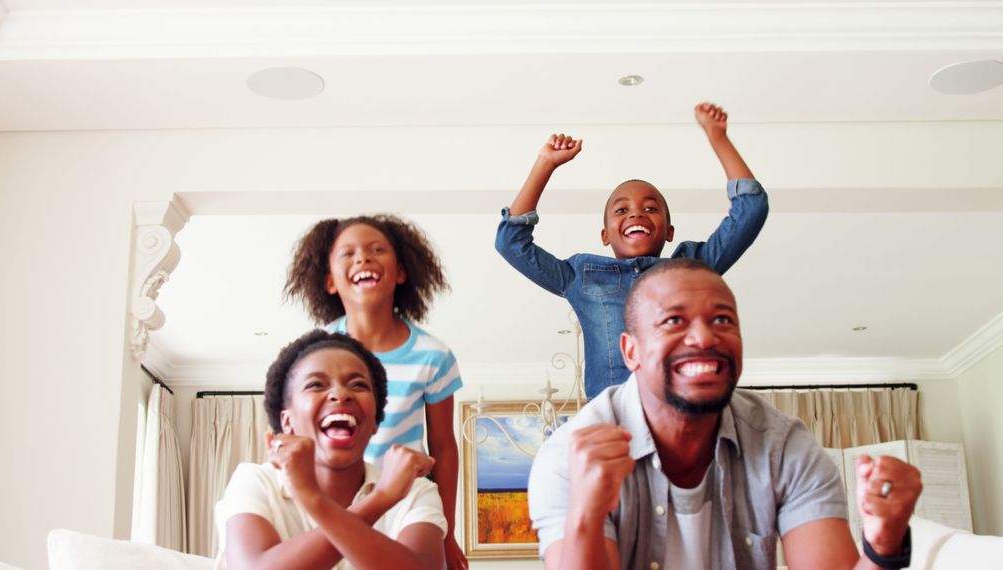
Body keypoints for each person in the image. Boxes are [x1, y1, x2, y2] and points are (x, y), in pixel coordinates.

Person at [528, 259, 922, 570]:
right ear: (631, 352)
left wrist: (883, 547)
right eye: (673, 321)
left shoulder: (784, 447)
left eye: (722, 320)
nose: (704, 337)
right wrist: (586, 514)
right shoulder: (570, 455)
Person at [495, 102, 769, 400]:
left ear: (669, 231)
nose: (636, 215)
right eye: (621, 210)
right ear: (605, 235)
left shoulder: (693, 268)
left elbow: (750, 209)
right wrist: (545, 164)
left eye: (650, 208)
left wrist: (718, 137)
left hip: (683, 411)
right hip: (616, 420)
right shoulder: (579, 275)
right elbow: (510, 243)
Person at [285, 215, 467, 569]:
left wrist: (447, 531)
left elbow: (444, 446)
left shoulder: (433, 356)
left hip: (406, 506)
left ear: (401, 272)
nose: (363, 259)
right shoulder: (315, 353)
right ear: (329, 281)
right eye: (347, 253)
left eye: (376, 250)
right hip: (333, 500)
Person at [215, 330, 446, 570]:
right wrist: (380, 500)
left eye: (358, 384)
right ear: (287, 422)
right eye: (315, 385)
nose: (340, 394)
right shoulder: (255, 481)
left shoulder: (415, 491)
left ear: (375, 420)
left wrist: (311, 498)